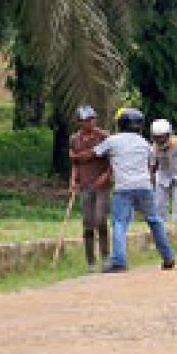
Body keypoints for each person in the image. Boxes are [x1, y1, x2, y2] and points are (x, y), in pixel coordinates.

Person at [73, 108, 176, 273]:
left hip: (123, 188)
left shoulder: (113, 141)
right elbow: (153, 164)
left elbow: (92, 154)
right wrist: (146, 176)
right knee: (154, 220)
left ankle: (119, 261)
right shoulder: (144, 143)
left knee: (119, 223)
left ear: (120, 124)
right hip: (144, 186)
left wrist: (75, 157)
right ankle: (168, 257)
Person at [68, 105, 111, 272]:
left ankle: (106, 257)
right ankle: (90, 261)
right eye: (85, 121)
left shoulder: (104, 137)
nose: (88, 123)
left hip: (101, 184)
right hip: (85, 184)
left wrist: (106, 176)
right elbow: (75, 164)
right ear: (79, 123)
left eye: (91, 120)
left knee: (101, 219)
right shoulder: (74, 139)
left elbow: (111, 161)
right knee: (87, 223)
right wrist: (73, 181)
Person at [150, 119, 177, 225]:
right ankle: (162, 226)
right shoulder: (153, 148)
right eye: (157, 137)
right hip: (162, 176)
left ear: (168, 134)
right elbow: (153, 166)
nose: (160, 139)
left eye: (162, 136)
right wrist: (151, 179)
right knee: (160, 204)